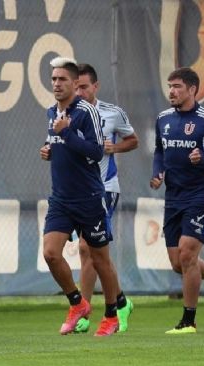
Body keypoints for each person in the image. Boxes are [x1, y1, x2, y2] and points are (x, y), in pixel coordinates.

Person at [151, 67, 204, 334]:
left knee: (188, 255)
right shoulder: (163, 118)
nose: (172, 92)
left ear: (192, 89)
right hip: (173, 197)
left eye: (177, 86)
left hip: (201, 195)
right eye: (170, 86)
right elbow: (159, 150)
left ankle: (188, 320)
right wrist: (158, 172)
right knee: (179, 263)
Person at [39, 57, 122, 337]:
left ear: (76, 83)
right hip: (61, 198)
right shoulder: (52, 111)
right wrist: (49, 148)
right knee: (50, 253)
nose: (57, 84)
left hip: (89, 197)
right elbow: (60, 143)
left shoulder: (87, 112)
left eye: (62, 79)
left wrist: (67, 133)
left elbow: (96, 151)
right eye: (53, 79)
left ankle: (111, 315)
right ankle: (77, 303)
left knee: (100, 260)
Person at [72, 63, 137, 333]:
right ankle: (121, 301)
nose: (79, 91)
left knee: (88, 248)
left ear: (95, 86)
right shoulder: (66, 113)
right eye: (76, 87)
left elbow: (133, 140)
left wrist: (115, 147)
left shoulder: (112, 113)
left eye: (84, 86)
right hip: (76, 190)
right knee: (91, 252)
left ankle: (83, 312)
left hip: (105, 187)